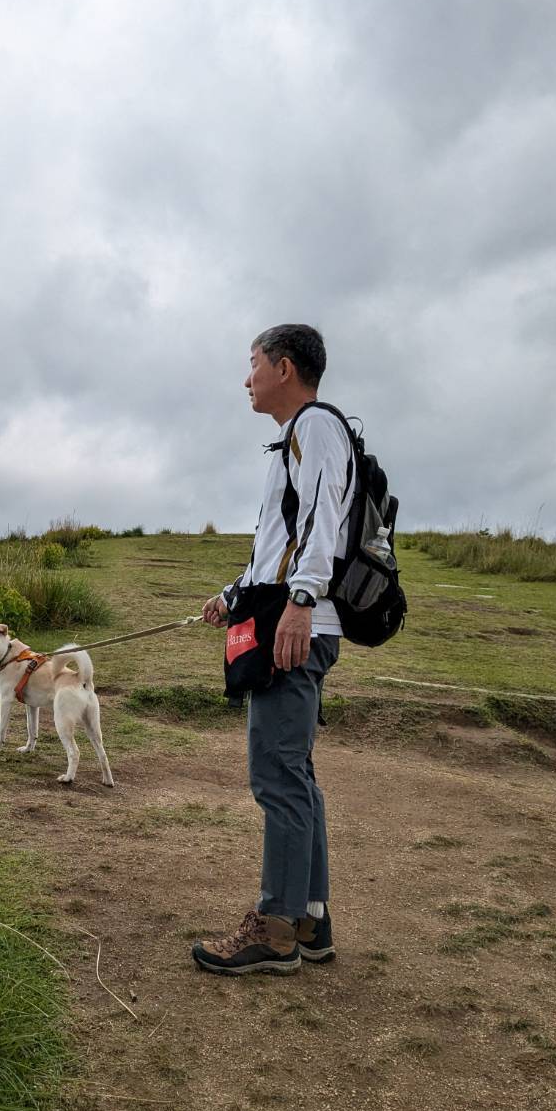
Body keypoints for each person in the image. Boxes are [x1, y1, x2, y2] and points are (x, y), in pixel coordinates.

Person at [193, 324, 354, 976]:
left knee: (277, 774)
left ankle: (277, 926)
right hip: (294, 617)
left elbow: (322, 520)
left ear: (284, 368)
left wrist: (302, 601)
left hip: (299, 624)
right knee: (295, 773)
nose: (247, 378)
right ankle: (309, 920)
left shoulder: (316, 426)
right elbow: (277, 545)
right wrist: (233, 595)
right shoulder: (295, 438)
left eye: (253, 363)